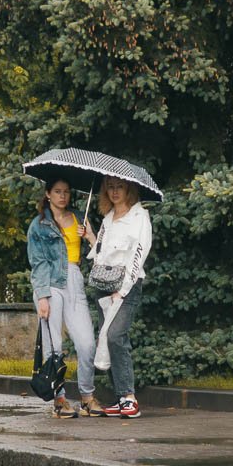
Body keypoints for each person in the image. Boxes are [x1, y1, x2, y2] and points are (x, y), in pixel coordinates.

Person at [27, 178, 100, 418]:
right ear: (48, 194)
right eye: (57, 192)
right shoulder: (39, 225)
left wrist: (89, 235)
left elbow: (98, 253)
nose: (62, 196)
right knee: (54, 346)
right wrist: (42, 297)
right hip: (51, 284)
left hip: (75, 280)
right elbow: (37, 263)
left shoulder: (81, 217)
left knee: (87, 343)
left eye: (66, 192)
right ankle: (59, 400)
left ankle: (87, 397)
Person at [83, 175, 152, 419]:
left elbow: (138, 254)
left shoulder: (139, 217)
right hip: (104, 286)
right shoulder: (108, 219)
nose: (114, 191)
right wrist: (91, 236)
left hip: (127, 287)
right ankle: (120, 399)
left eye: (119, 186)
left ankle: (129, 398)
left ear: (129, 189)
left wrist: (122, 289)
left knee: (115, 336)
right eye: (110, 187)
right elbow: (100, 254)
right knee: (106, 340)